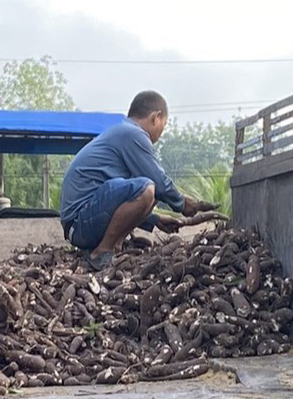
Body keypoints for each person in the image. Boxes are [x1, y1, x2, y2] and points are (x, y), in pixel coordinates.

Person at [58, 91, 215, 270]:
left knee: (150, 189)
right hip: (79, 224)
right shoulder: (133, 134)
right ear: (156, 117)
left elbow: (120, 202)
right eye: (163, 126)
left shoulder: (122, 132)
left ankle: (113, 248)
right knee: (148, 187)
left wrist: (154, 219)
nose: (161, 133)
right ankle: (102, 251)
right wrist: (181, 203)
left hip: (80, 224)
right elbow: (159, 182)